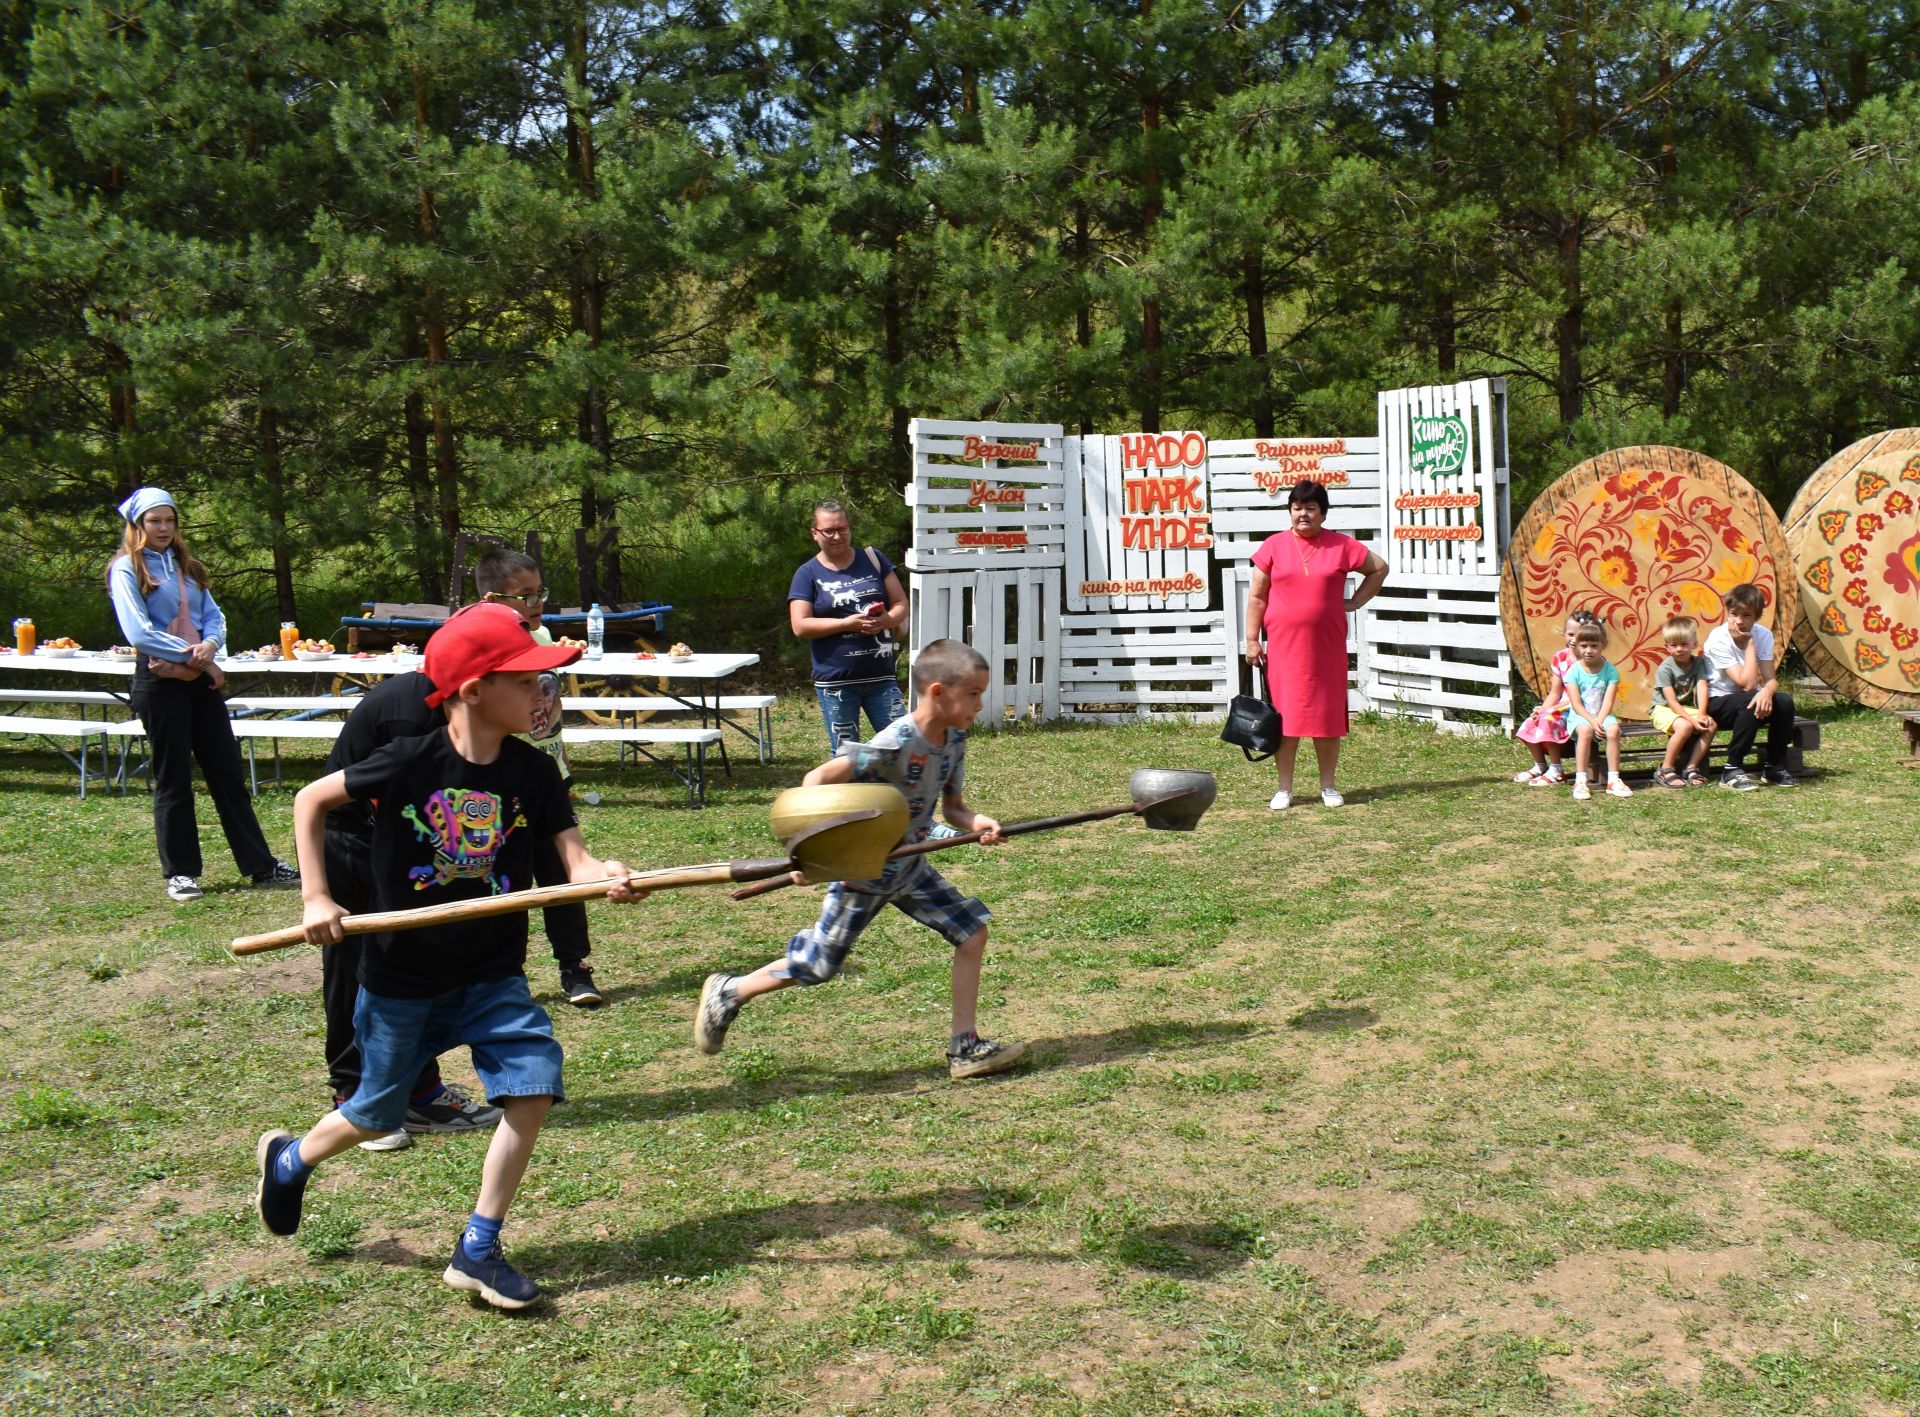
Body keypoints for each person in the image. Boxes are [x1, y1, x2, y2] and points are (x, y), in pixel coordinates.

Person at [255, 603, 645, 1310]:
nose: (541, 696)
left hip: (492, 971)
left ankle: (478, 1246)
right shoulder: (412, 758)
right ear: (473, 688)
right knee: (375, 1113)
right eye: (527, 682)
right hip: (403, 975)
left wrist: (604, 873)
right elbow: (311, 798)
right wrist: (317, 897)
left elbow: (574, 860)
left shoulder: (533, 772)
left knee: (531, 1086)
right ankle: (290, 1158)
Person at [692, 638, 1026, 1081]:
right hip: (864, 871)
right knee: (819, 963)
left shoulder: (955, 740)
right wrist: (816, 852)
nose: (980, 705)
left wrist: (978, 821)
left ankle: (964, 1047)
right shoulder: (893, 743)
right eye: (973, 695)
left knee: (971, 933)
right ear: (938, 692)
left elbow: (953, 808)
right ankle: (730, 992)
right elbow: (816, 780)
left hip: (910, 867)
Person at [106, 487, 298, 902]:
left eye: (169, 520)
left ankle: (261, 866)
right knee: (173, 777)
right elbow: (139, 632)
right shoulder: (127, 569)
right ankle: (181, 873)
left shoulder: (186, 565)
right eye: (154, 521)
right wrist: (198, 657)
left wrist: (210, 646)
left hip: (198, 678)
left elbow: (214, 616)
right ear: (137, 525)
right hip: (160, 682)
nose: (162, 528)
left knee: (227, 773)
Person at [474, 547, 602, 1008]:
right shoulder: (481, 645)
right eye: (525, 595)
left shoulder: (543, 635)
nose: (537, 602)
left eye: (539, 591)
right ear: (493, 598)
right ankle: (498, 973)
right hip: (497, 786)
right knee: (502, 880)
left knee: (562, 875)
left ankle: (575, 967)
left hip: (551, 777)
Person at [1243, 480, 1389, 809]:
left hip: (1326, 649)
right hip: (1284, 649)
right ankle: (1284, 789)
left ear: (1323, 513)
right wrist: (1252, 640)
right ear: (1290, 512)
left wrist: (1354, 602)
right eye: (1297, 508)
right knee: (1286, 719)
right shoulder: (1273, 547)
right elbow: (1256, 597)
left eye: (1310, 508)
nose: (1303, 514)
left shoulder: (1340, 546)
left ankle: (1329, 786)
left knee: (1326, 720)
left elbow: (1379, 569)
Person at [789, 499, 909, 751]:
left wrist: (887, 619)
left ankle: (895, 792)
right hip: (836, 683)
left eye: (842, 529)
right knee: (846, 755)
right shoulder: (807, 573)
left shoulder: (873, 558)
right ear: (815, 533)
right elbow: (800, 625)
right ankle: (852, 791)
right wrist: (847, 624)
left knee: (904, 747)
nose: (836, 536)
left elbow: (900, 604)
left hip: (881, 677)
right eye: (828, 530)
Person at [1701, 583, 1796, 791]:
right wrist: (1750, 645)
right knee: (1750, 700)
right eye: (1734, 614)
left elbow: (1770, 679)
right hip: (1718, 701)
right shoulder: (1718, 639)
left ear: (1757, 617)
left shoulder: (1763, 634)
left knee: (1784, 702)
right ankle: (1731, 769)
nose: (1739, 621)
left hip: (1749, 698)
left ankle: (1774, 766)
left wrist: (1767, 692)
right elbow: (1747, 684)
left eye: (1746, 615)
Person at [1514, 609, 1600, 786]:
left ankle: (1556, 770)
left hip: (1582, 709)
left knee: (1549, 719)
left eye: (1579, 635)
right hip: (1561, 706)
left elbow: (1585, 696)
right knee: (1531, 722)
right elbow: (1555, 692)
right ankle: (1540, 765)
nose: (1573, 640)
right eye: (1570, 634)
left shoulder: (1592, 662)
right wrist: (1543, 708)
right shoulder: (1560, 657)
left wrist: (1552, 711)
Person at [1563, 620, 1631, 800]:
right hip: (1580, 716)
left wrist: (1599, 720)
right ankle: (1581, 780)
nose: (1588, 650)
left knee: (1614, 729)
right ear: (1577, 646)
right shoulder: (1574, 671)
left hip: (1603, 714)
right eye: (1584, 646)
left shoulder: (1610, 671)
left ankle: (1614, 780)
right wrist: (1592, 722)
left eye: (1594, 645)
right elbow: (1576, 704)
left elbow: (1608, 702)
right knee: (1585, 730)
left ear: (1603, 645)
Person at [1650, 616, 1717, 789]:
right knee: (1685, 726)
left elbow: (1702, 687)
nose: (1679, 649)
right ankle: (1666, 768)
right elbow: (1671, 701)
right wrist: (1692, 720)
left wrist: (1701, 714)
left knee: (1710, 725)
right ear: (1667, 647)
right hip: (1663, 708)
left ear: (1694, 644)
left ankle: (1691, 767)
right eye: (1673, 645)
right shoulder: (1665, 669)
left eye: (1684, 644)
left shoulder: (1699, 663)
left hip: (1685, 708)